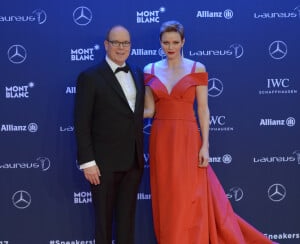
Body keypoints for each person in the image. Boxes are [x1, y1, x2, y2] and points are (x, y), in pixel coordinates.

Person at [144, 20, 276, 244]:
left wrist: (205, 145)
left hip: (188, 138)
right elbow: (149, 110)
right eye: (166, 42)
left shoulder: (198, 68)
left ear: (183, 42)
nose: (171, 47)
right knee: (166, 197)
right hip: (161, 140)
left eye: (175, 42)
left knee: (189, 197)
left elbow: (203, 109)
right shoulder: (150, 70)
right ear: (160, 43)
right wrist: (117, 111)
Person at [74, 25, 145, 244]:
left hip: (132, 162)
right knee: (103, 225)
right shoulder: (90, 77)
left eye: (126, 43)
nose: (121, 47)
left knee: (127, 223)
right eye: (116, 43)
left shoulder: (137, 73)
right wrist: (87, 162)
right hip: (102, 165)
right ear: (106, 45)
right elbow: (81, 121)